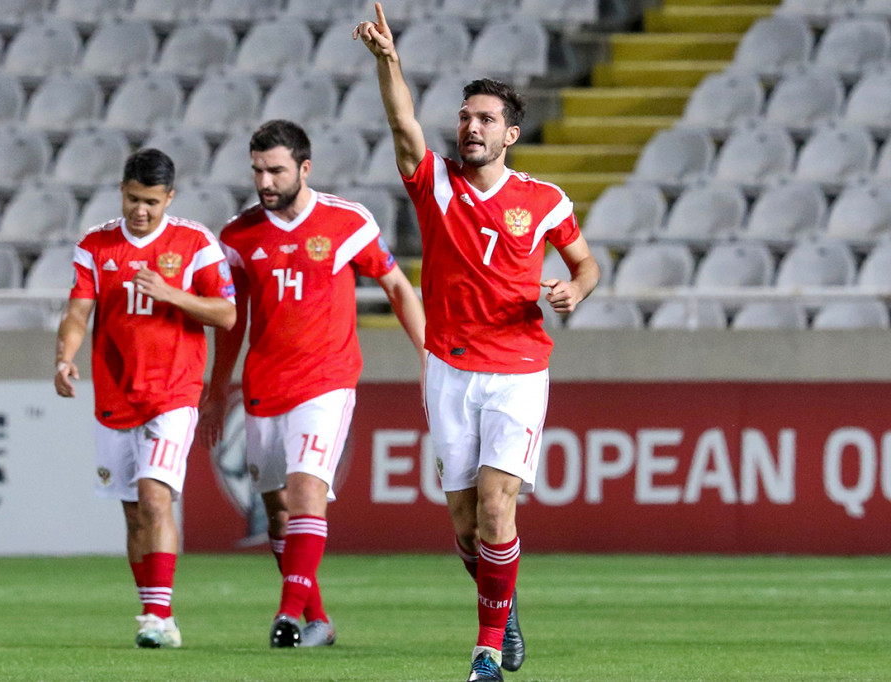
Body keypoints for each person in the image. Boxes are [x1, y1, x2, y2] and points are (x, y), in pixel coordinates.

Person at [354, 5, 601, 680]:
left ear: (510, 134)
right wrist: (389, 61)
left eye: (485, 119)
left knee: (497, 504)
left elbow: (586, 264)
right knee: (466, 524)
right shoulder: (434, 183)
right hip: (449, 370)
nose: (471, 126)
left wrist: (576, 290)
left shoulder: (544, 199)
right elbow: (403, 126)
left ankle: (486, 650)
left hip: (518, 369)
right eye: (466, 116)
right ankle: (505, 603)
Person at [201, 119, 426, 649]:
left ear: (304, 168)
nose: (265, 181)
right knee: (275, 510)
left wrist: (429, 355)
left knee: (307, 493)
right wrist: (217, 391)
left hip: (326, 381)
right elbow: (231, 321)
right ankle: (317, 619)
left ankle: (285, 616)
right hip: (262, 387)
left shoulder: (347, 221)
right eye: (257, 170)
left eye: (275, 170)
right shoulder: (237, 236)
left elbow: (395, 283)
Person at [54, 148, 237, 649]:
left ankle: (156, 619)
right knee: (134, 512)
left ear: (169, 198)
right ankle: (155, 610)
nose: (141, 211)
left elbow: (225, 314)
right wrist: (65, 356)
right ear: (122, 191)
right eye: (134, 199)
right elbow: (77, 312)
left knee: (156, 498)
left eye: (152, 202)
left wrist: (171, 293)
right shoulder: (96, 245)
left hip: (173, 394)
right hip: (116, 394)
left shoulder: (195, 242)